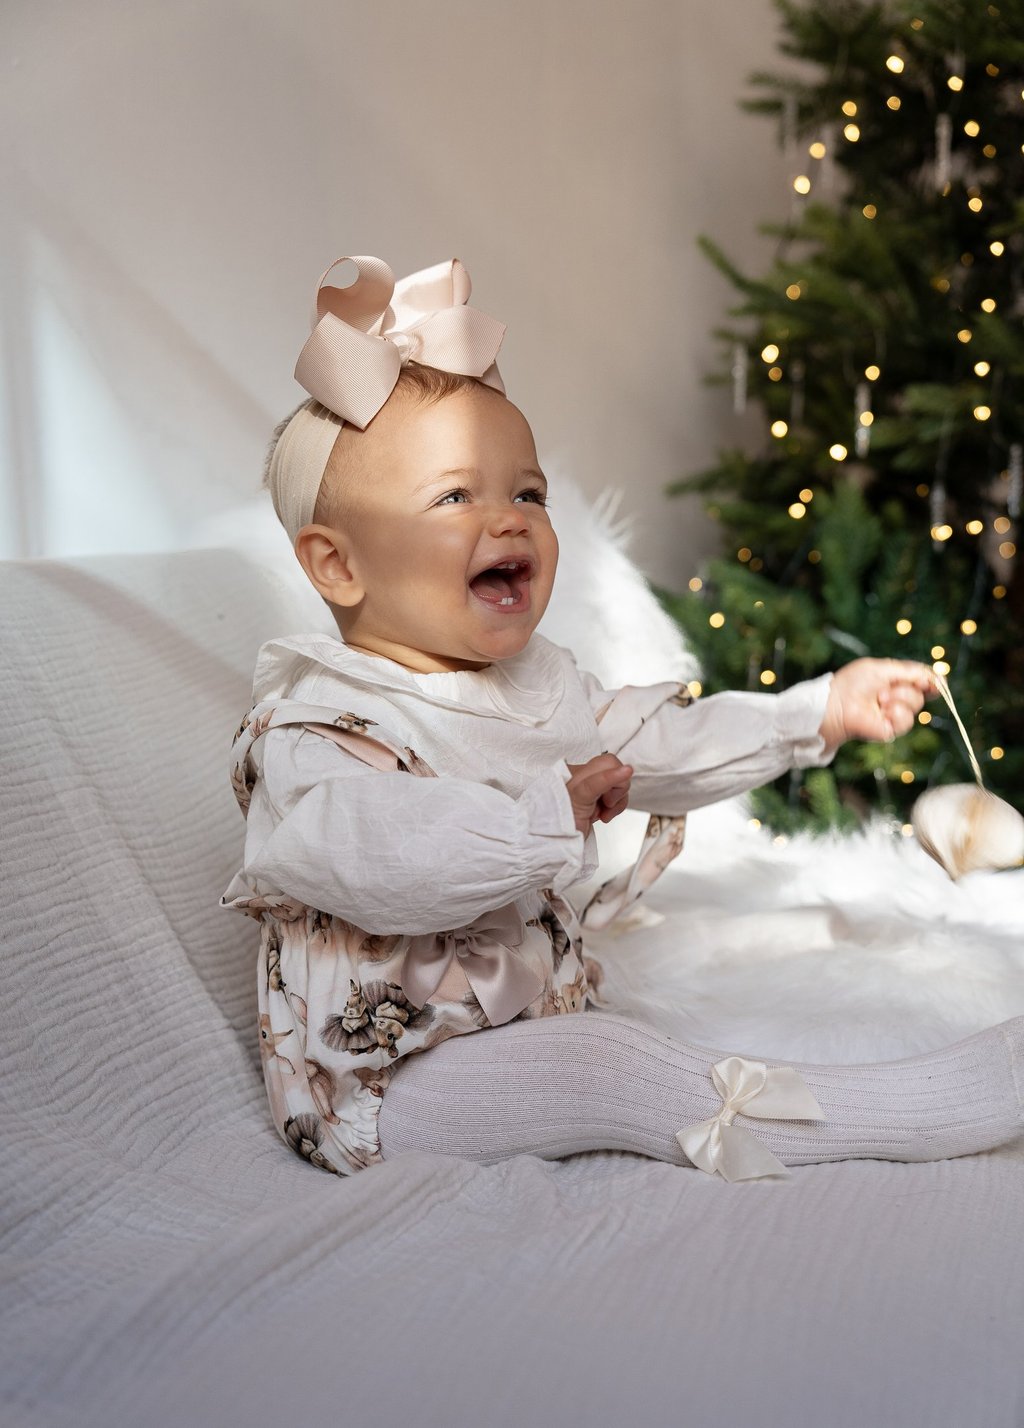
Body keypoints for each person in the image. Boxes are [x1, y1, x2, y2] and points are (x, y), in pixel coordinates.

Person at [220, 255, 1024, 1183]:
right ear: (337, 565)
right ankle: (892, 1111)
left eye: (528, 492)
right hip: (390, 1076)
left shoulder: (535, 684)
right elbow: (376, 858)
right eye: (455, 496)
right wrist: (538, 817)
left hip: (519, 1010)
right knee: (610, 1068)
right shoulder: (316, 727)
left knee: (622, 1014)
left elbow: (656, 745)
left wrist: (817, 713)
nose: (511, 518)